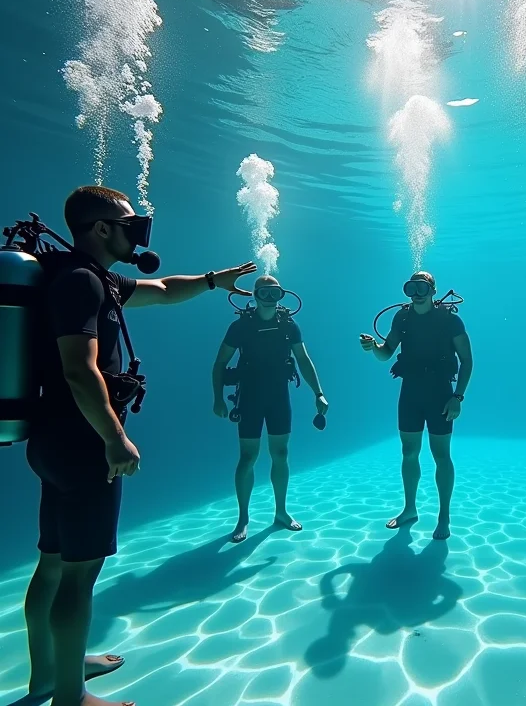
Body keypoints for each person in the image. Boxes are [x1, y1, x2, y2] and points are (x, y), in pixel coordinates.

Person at [22, 185, 256, 706]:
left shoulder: (88, 278)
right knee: (78, 578)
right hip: (83, 445)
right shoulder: (83, 282)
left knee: (54, 563)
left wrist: (216, 281)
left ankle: (52, 670)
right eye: (132, 225)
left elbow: (167, 289)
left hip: (52, 443)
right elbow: (80, 372)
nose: (140, 235)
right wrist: (115, 438)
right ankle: (69, 697)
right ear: (102, 229)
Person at [212, 275, 328, 543]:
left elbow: (303, 359)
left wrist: (318, 393)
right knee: (248, 457)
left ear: (281, 295)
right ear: (254, 295)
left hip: (278, 396)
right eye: (264, 293)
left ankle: (281, 512)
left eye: (274, 293)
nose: (269, 299)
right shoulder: (240, 327)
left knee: (281, 453)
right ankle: (243, 517)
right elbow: (220, 362)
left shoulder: (289, 325)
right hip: (250, 396)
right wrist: (217, 398)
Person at [360, 271, 473, 540]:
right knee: (408, 452)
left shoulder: (450, 320)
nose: (417, 292)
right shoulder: (402, 317)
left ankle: (444, 515)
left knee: (441, 455)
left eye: (422, 287)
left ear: (433, 290)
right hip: (410, 394)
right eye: (412, 287)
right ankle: (410, 509)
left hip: (441, 395)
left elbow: (467, 360)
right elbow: (386, 353)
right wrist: (373, 347)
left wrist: (457, 397)